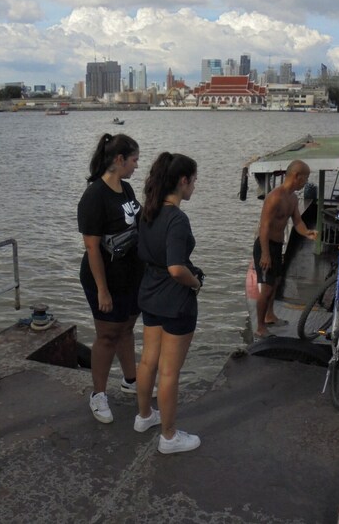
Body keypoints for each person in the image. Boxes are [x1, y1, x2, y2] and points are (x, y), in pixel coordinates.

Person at [136, 153, 202, 454]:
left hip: (150, 293)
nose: (194, 187)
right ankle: (169, 436)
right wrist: (195, 282)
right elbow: (177, 268)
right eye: (194, 180)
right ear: (183, 180)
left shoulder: (147, 211)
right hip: (175, 301)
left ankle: (145, 416)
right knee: (170, 372)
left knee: (148, 360)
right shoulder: (177, 218)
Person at [77, 133, 145, 424]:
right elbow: (92, 247)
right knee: (107, 335)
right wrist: (103, 290)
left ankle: (131, 379)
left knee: (127, 328)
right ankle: (98, 394)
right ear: (119, 160)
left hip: (131, 274)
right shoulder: (94, 196)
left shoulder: (126, 189)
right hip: (104, 277)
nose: (136, 166)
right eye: (133, 160)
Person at [253, 160, 317, 339]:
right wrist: (265, 254)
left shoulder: (293, 198)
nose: (306, 182)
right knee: (265, 288)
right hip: (265, 245)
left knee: (276, 282)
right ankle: (259, 326)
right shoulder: (274, 197)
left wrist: (308, 232)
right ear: (296, 176)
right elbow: (264, 227)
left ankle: (270, 315)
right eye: (305, 178)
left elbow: (297, 221)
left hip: (277, 245)